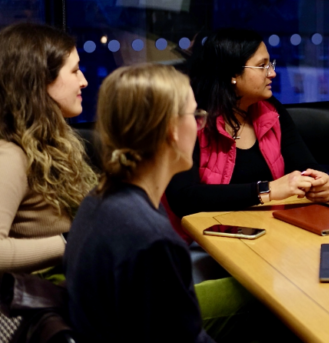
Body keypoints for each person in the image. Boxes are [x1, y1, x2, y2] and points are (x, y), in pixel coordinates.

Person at [65, 64, 215, 342]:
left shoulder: (103, 195)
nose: (199, 125)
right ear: (171, 128)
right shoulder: (152, 240)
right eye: (195, 115)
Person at [164, 28, 329, 243]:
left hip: (268, 234)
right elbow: (183, 198)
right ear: (233, 74)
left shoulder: (270, 109)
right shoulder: (192, 119)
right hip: (206, 242)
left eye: (269, 64)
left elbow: (307, 165)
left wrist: (326, 182)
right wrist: (267, 190)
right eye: (262, 66)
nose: (272, 73)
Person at [0, 23, 97, 274]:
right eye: (75, 71)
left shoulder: (51, 141)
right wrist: (70, 240)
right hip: (48, 298)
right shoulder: (11, 155)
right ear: (40, 80)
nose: (84, 81)